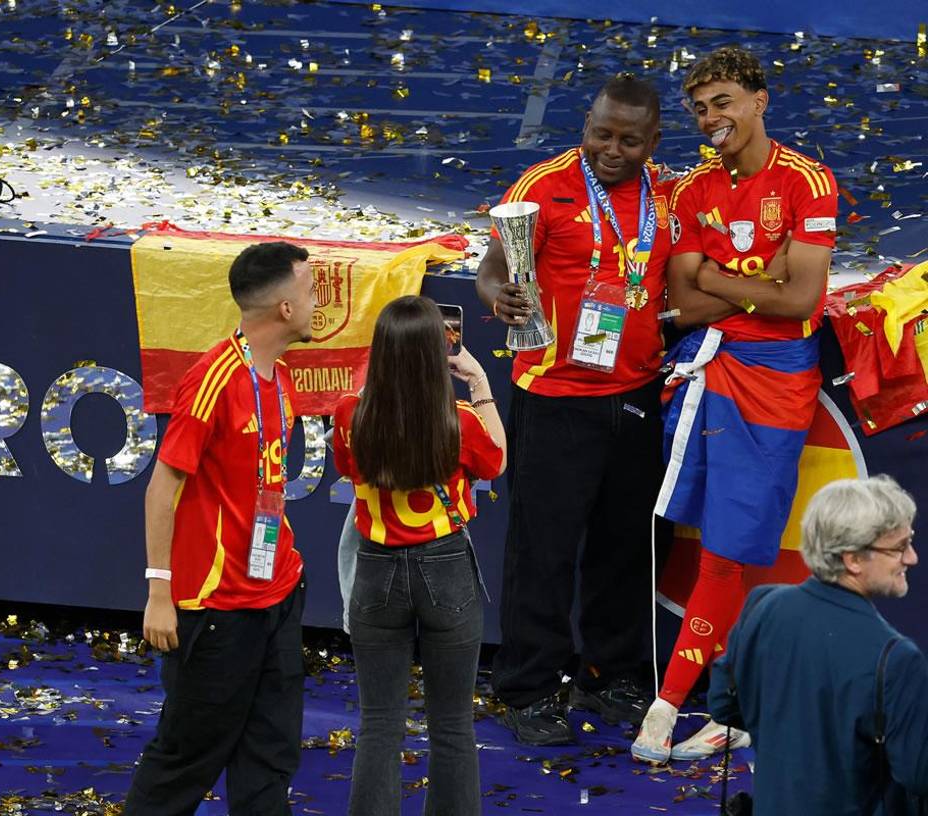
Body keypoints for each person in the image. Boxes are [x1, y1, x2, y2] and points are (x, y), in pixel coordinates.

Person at [632, 45, 839, 763]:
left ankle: (693, 702)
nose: (711, 118)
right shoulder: (692, 191)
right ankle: (709, 698)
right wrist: (755, 283)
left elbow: (803, 300)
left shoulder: (809, 182)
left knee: (728, 550)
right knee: (703, 541)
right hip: (705, 373)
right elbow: (684, 299)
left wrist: (720, 280)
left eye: (723, 102)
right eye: (699, 108)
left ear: (759, 99)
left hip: (776, 384)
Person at [475, 73, 673, 744]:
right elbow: (494, 266)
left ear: (653, 140)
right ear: (584, 126)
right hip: (555, 396)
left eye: (629, 139)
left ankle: (610, 672)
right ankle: (529, 687)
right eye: (601, 134)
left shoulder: (665, 194)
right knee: (545, 551)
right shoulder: (544, 185)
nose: (612, 149)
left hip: (638, 392)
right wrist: (499, 296)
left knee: (625, 547)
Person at [124, 241, 315, 815]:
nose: (316, 303)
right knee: (188, 756)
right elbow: (162, 488)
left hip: (277, 593)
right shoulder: (213, 378)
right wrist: (161, 592)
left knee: (270, 756)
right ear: (283, 308)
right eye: (309, 290)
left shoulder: (279, 377)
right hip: (217, 608)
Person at [332, 295, 506, 815]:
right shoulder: (461, 420)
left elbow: (347, 468)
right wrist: (480, 384)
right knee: (451, 724)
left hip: (375, 571)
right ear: (440, 354)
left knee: (379, 723)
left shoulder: (349, 414)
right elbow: (495, 462)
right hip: (446, 568)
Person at [709, 476, 928, 814]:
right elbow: (919, 774)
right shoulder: (897, 658)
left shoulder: (762, 606)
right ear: (853, 559)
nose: (912, 558)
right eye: (899, 547)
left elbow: (724, 705)